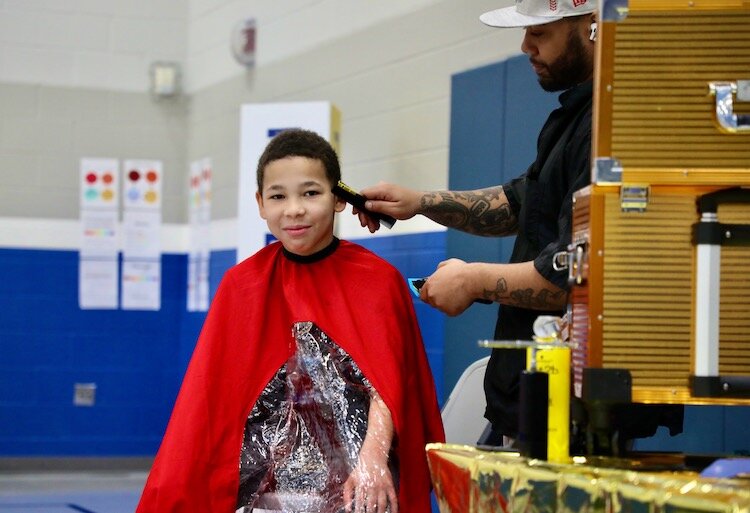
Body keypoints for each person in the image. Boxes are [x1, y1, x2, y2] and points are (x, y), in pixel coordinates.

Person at [136, 129, 444, 513]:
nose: (294, 209)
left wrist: (374, 458)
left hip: (360, 485)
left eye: (310, 193)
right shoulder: (240, 286)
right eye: (278, 196)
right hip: (262, 490)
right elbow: (207, 406)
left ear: (338, 199)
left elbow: (392, 385)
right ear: (260, 204)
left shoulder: (378, 281)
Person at [354, 0, 597, 446]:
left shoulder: (607, 130)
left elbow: (573, 277)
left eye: (539, 34)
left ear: (592, 26)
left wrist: (471, 280)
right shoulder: (573, 119)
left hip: (574, 413)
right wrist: (420, 202)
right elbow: (517, 203)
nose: (525, 46)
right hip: (527, 404)